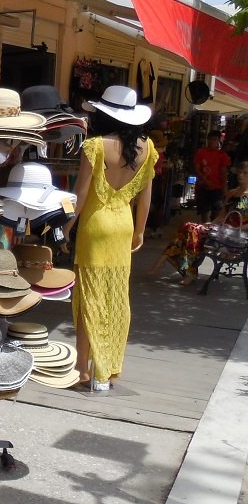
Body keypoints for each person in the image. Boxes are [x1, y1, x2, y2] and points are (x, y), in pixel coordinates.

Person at [65, 85, 157, 392]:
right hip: (123, 226)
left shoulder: (95, 146)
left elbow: (80, 195)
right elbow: (145, 198)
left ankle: (83, 370)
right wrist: (140, 231)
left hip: (95, 226)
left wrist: (66, 227)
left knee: (89, 300)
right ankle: (108, 370)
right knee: (116, 299)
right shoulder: (148, 148)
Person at [193, 130, 231, 222]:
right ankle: (205, 229)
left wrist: (225, 187)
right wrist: (206, 181)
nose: (212, 142)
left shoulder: (222, 155)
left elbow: (224, 172)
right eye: (210, 139)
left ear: (218, 140)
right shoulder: (201, 153)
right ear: (208, 140)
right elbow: (197, 169)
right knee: (204, 213)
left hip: (217, 188)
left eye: (215, 139)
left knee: (216, 214)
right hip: (203, 187)